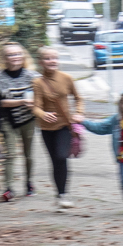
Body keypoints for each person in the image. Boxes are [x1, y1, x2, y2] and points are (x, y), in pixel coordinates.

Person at [32, 44, 81, 210]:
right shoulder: (38, 83)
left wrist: (79, 113)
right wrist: (42, 114)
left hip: (64, 126)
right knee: (54, 161)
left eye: (54, 58)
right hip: (46, 129)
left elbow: (78, 98)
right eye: (47, 58)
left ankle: (64, 193)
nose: (52, 61)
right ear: (41, 62)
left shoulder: (66, 78)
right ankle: (60, 194)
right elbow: (35, 106)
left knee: (61, 157)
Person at [0, 42, 39, 202]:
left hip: (28, 119)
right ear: (5, 58)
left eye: (18, 54)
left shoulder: (33, 76)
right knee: (11, 154)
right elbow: (2, 102)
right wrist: (23, 102)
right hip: (8, 120)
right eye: (11, 54)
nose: (15, 57)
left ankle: (28, 183)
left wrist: (35, 103)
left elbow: (41, 95)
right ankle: (8, 188)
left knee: (28, 154)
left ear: (23, 56)